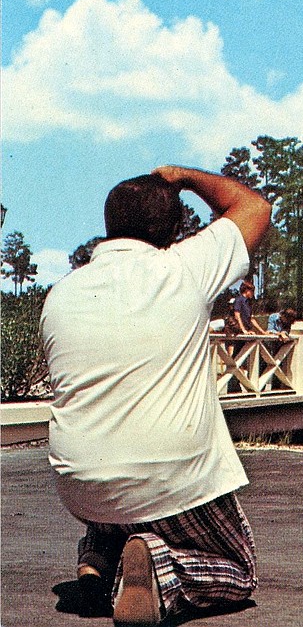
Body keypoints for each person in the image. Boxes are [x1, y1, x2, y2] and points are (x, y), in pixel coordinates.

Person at [41, 165, 270, 625]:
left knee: (116, 479)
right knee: (239, 571)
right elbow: (255, 207)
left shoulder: (60, 294)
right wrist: (183, 176)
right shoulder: (184, 267)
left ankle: (98, 561)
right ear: (174, 230)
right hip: (171, 480)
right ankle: (164, 568)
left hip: (82, 485)